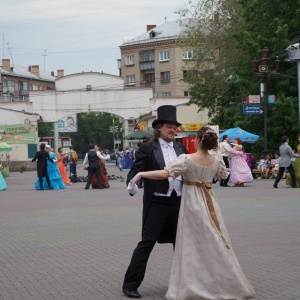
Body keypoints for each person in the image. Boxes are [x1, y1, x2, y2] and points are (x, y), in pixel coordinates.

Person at [129, 126, 255, 300]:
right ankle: (219, 280)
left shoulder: (186, 157)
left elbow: (165, 173)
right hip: (208, 201)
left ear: (197, 139)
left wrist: (141, 174)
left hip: (189, 203)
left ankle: (193, 283)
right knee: (213, 241)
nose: (172, 130)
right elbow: (221, 175)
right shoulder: (216, 160)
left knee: (189, 244)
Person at [122, 105, 187, 299]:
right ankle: (130, 285)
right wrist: (131, 185)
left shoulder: (180, 147)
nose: (172, 130)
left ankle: (183, 282)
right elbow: (136, 171)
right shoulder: (147, 148)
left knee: (182, 244)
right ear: (159, 128)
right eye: (169, 126)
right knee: (146, 243)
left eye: (174, 127)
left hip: (178, 203)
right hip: (157, 204)